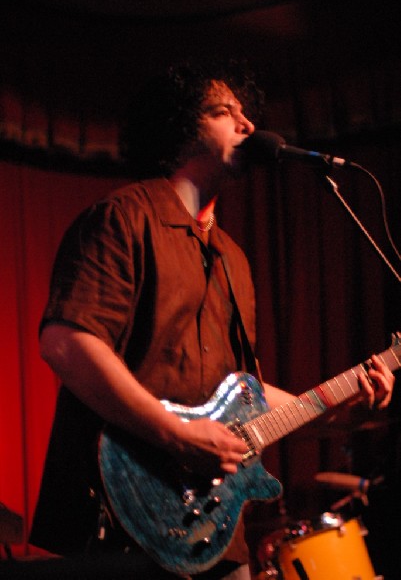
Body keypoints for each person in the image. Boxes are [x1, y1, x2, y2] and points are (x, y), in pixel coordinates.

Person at [29, 63, 395, 580]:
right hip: (124, 520)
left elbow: (248, 397)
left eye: (248, 114)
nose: (247, 124)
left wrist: (342, 408)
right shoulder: (123, 218)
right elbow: (65, 341)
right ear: (180, 129)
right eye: (225, 112)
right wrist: (177, 435)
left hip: (216, 536)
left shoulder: (233, 258)